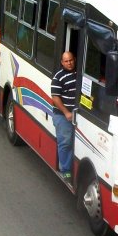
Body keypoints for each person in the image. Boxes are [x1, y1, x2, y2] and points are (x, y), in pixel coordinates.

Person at [51, 51, 77, 180]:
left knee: (74, 143)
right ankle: (65, 170)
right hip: (62, 116)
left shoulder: (79, 74)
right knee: (65, 143)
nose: (69, 63)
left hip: (76, 116)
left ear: (75, 60)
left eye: (71, 60)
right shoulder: (58, 77)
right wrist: (66, 112)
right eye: (66, 61)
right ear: (62, 63)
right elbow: (55, 98)